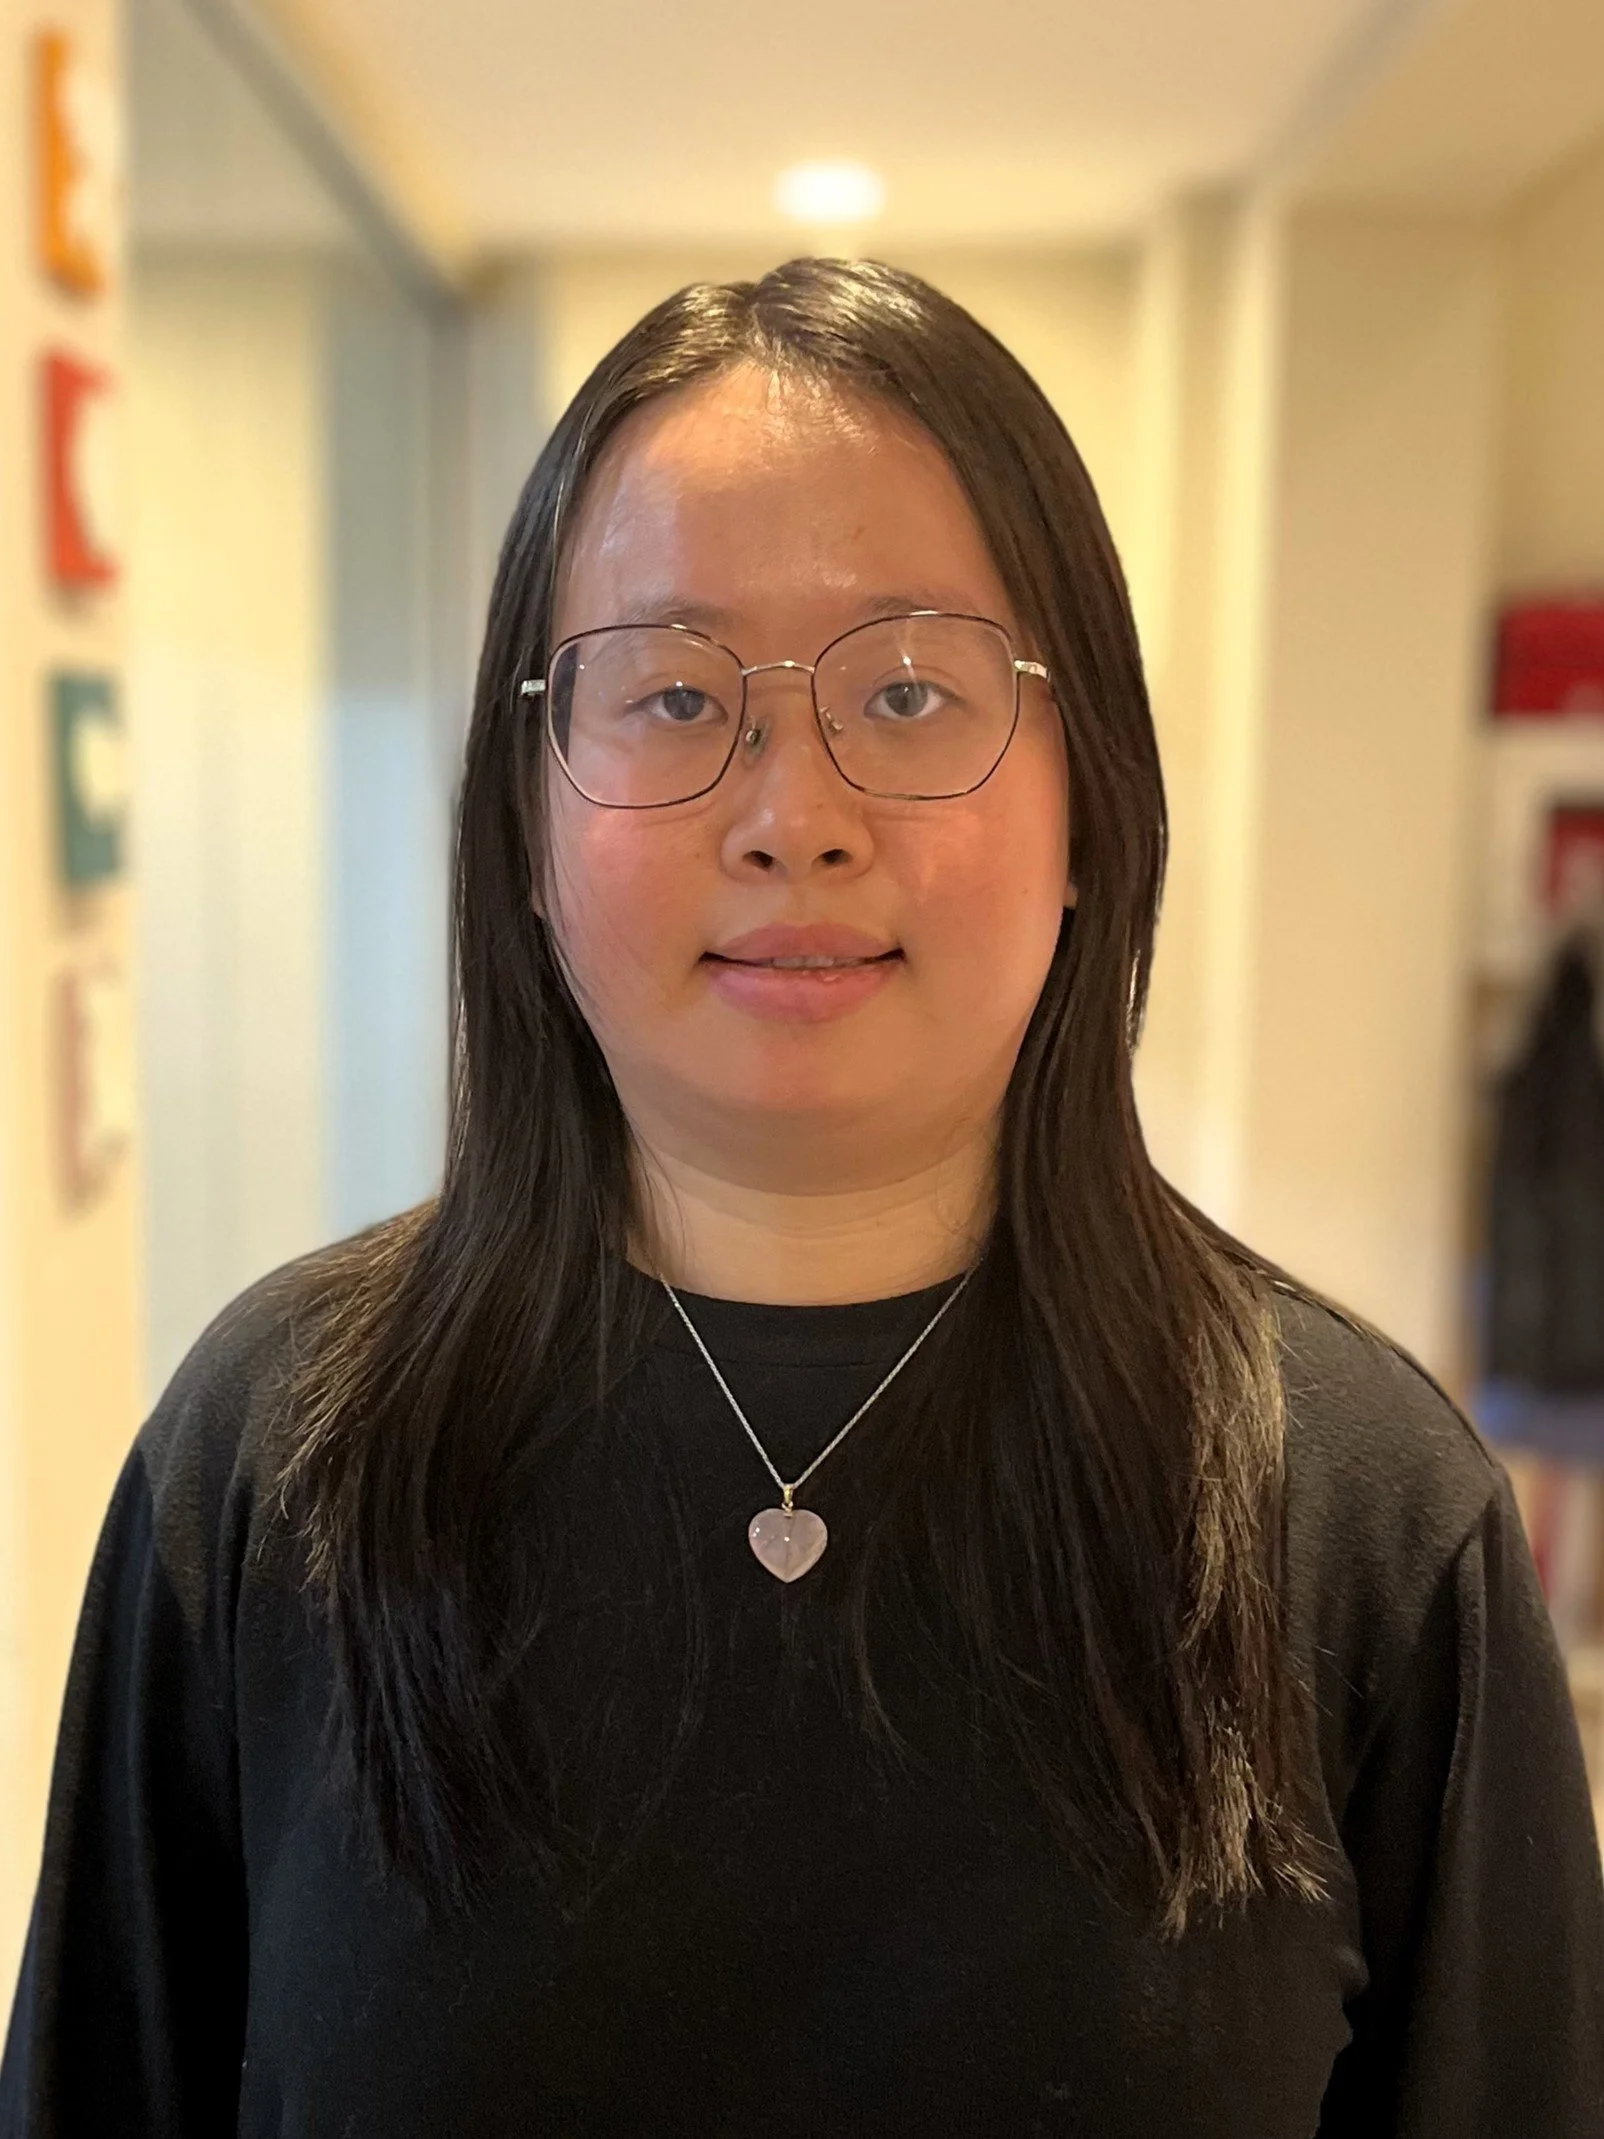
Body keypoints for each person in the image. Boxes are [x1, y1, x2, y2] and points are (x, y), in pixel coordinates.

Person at [3, 257, 1601, 2137]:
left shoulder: (1367, 1515)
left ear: (1089, 801)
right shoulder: (274, 1455)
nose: (793, 816)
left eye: (910, 690)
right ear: (528, 820)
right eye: (676, 694)